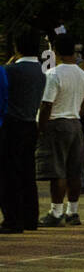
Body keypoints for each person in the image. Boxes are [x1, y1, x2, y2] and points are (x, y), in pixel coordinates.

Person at [35, 34, 84, 227]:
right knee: (74, 171)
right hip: (75, 122)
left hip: (57, 123)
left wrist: (40, 128)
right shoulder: (83, 74)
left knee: (58, 171)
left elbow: (46, 104)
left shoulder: (54, 74)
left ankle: (56, 211)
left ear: (56, 52)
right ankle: (73, 211)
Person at [0, 31, 44, 234]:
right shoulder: (41, 72)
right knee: (27, 173)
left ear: (17, 48)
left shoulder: (10, 70)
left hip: (12, 124)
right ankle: (30, 217)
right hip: (30, 123)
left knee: (9, 173)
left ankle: (12, 219)